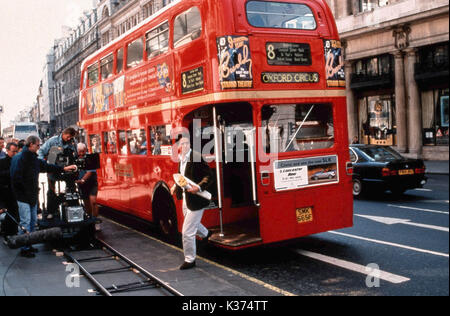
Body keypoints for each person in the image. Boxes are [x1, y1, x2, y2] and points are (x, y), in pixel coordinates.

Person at [10, 136, 77, 258]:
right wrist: (25, 192)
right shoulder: (20, 159)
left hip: (31, 195)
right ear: (30, 145)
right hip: (24, 196)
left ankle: (28, 244)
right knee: (26, 222)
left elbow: (46, 166)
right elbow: (16, 178)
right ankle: (24, 247)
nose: (39, 147)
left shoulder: (32, 158)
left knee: (32, 221)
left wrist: (63, 168)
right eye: (37, 145)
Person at [171, 136, 213, 270]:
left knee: (187, 231)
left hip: (197, 199)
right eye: (182, 144)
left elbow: (209, 176)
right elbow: (181, 176)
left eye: (187, 143)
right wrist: (174, 186)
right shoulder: (181, 158)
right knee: (192, 223)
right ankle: (206, 233)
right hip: (186, 198)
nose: (185, 146)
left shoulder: (196, 156)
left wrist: (199, 187)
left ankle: (190, 260)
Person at [38, 127, 78, 218]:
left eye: (71, 137)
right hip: (53, 167)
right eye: (68, 137)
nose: (69, 139)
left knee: (71, 188)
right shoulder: (52, 141)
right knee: (51, 190)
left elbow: (75, 154)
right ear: (63, 134)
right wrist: (42, 163)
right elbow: (41, 151)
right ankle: (51, 211)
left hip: (68, 168)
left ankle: (72, 207)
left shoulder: (72, 141)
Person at [75, 143, 100, 231]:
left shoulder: (91, 158)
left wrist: (82, 180)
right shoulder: (75, 159)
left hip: (91, 183)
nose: (81, 153)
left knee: (93, 201)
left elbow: (90, 172)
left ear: (86, 150)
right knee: (87, 204)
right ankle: (90, 220)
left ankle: (96, 221)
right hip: (82, 185)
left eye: (83, 151)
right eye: (79, 152)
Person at [0, 142, 20, 240]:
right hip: (6, 192)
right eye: (13, 152)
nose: (15, 154)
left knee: (16, 213)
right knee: (9, 214)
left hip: (16, 191)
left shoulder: (18, 161)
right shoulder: (2, 162)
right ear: (7, 151)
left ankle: (14, 232)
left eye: (16, 151)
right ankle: (7, 234)